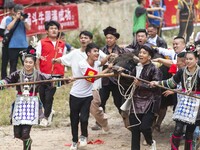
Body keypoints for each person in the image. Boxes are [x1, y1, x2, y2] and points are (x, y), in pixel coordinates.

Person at [52, 42, 111, 150]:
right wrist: (108, 70)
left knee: (84, 118)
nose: (97, 53)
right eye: (95, 51)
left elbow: (101, 62)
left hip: (88, 96)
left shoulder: (96, 62)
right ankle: (74, 141)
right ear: (88, 53)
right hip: (75, 95)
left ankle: (84, 136)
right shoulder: (82, 64)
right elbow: (92, 78)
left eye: (98, 51)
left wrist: (108, 58)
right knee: (74, 119)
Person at [0, 46, 56, 150]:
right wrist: (2, 83)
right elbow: (7, 80)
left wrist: (66, 80)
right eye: (26, 62)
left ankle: (27, 147)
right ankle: (28, 141)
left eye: (30, 62)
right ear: (23, 62)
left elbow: (51, 80)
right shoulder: (17, 74)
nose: (28, 64)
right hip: (20, 103)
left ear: (34, 63)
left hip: (32, 104)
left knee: (25, 133)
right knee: (17, 134)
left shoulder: (39, 75)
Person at [150, 49, 200, 150]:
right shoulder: (181, 71)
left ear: (196, 60)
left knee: (190, 132)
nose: (188, 61)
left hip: (196, 103)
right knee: (178, 129)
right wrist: (157, 83)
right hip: (183, 101)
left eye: (191, 59)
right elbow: (171, 83)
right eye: (186, 59)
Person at [128, 43, 162, 150]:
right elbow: (130, 78)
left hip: (150, 101)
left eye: (144, 53)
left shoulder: (155, 69)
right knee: (135, 130)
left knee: (145, 127)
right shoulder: (136, 68)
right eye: (140, 52)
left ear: (150, 57)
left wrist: (141, 84)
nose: (141, 54)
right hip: (136, 101)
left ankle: (150, 142)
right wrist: (122, 72)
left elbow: (156, 86)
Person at [36, 20, 66, 127]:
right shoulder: (41, 42)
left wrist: (64, 73)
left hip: (57, 75)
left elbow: (64, 59)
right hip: (43, 74)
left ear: (58, 31)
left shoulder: (62, 44)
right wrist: (38, 72)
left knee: (49, 95)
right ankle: (50, 111)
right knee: (42, 95)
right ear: (47, 31)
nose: (54, 30)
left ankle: (45, 117)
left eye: (56, 28)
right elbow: (37, 59)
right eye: (51, 28)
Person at [6, 4, 30, 74]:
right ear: (15, 12)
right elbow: (8, 28)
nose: (21, 14)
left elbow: (29, 28)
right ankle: (13, 82)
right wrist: (16, 18)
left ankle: (27, 81)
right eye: (19, 12)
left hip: (24, 46)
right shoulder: (9, 19)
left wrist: (24, 20)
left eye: (22, 12)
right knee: (13, 66)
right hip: (13, 46)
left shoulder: (24, 20)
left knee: (26, 64)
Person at [0, 1, 15, 79]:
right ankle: (3, 79)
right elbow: (1, 31)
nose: (12, 11)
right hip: (7, 43)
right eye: (11, 9)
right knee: (4, 62)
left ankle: (12, 79)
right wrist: (7, 36)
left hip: (15, 43)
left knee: (13, 62)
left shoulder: (18, 19)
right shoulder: (5, 19)